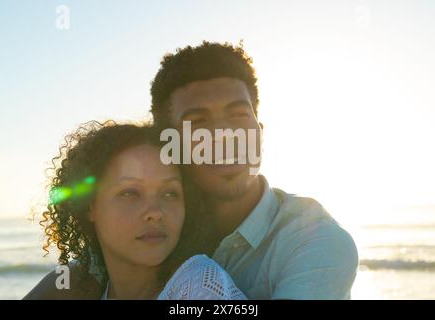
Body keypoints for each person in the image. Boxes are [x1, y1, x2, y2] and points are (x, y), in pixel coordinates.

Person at [25, 41, 358, 300]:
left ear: (260, 129)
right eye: (197, 123)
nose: (226, 137)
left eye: (239, 116)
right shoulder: (158, 228)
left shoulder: (315, 240)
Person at [25, 120, 246, 300]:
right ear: (90, 206)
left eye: (169, 193)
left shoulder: (200, 288)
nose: (155, 212)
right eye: (130, 193)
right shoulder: (86, 287)